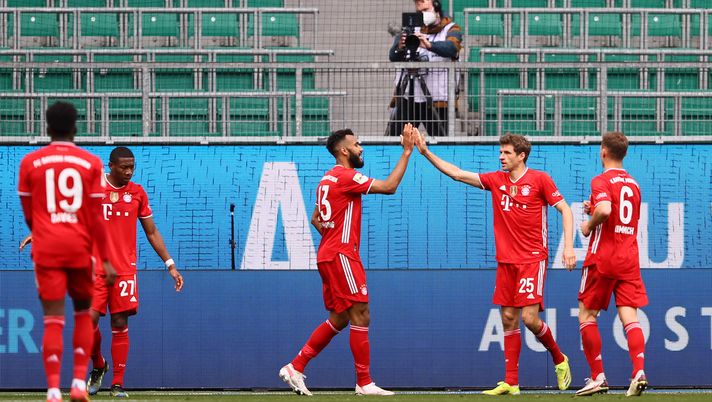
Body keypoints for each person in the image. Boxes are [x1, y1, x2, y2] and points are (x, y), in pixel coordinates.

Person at [414, 132, 576, 395]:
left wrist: (568, 246)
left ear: (521, 156)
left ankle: (559, 359)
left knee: (530, 319)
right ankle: (511, 382)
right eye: (501, 152)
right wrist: (426, 152)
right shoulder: (496, 180)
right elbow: (457, 173)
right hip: (506, 261)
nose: (501, 157)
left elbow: (566, 210)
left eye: (507, 153)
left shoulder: (540, 180)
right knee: (509, 318)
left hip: (532, 258)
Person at [20, 146, 185, 398]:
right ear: (111, 165)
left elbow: (151, 231)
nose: (129, 171)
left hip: (124, 271)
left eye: (132, 167)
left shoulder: (137, 193)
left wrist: (170, 264)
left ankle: (117, 384)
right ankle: (98, 363)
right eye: (124, 167)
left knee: (120, 323)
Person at [279, 125, 416, 396]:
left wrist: (333, 240)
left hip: (329, 253)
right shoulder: (346, 176)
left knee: (341, 317)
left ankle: (296, 365)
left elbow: (316, 218)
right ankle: (364, 382)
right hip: (341, 254)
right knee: (361, 312)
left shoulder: (326, 179)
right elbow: (389, 187)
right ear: (344, 150)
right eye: (356, 144)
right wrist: (408, 151)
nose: (361, 148)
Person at [18, 101, 117, 402]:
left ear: (47, 128)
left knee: (52, 319)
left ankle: (51, 390)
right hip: (79, 249)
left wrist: (46, 229)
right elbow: (96, 217)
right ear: (76, 128)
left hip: (47, 249)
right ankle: (77, 383)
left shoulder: (30, 163)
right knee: (83, 315)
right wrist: (106, 259)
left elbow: (29, 214)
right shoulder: (91, 163)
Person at [575, 132, 648, 397]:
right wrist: (593, 208)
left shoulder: (601, 179)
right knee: (630, 316)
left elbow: (605, 211)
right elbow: (614, 211)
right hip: (629, 258)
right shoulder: (634, 184)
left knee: (586, 314)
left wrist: (588, 224)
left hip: (603, 257)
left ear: (603, 151)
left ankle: (598, 377)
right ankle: (638, 371)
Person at [387, 0, 462, 137]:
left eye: (426, 10)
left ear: (436, 7)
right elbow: (393, 56)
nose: (422, 14)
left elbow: (452, 48)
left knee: (440, 141)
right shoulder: (409, 29)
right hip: (409, 95)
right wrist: (401, 46)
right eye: (420, 11)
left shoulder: (451, 28)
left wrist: (429, 45)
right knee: (396, 139)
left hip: (438, 99)